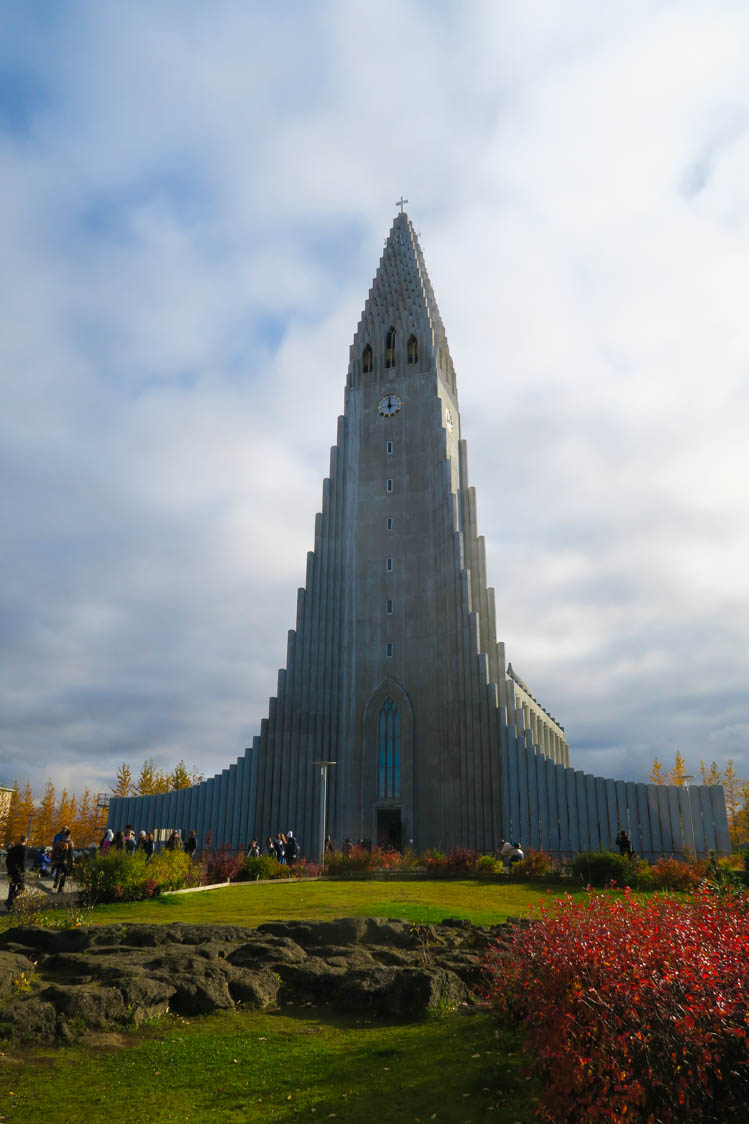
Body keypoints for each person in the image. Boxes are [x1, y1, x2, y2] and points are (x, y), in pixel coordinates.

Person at [5, 835, 27, 910]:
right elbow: (22, 861)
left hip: (10, 870)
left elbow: (7, 860)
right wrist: (22, 871)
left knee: (12, 887)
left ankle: (9, 905)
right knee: (21, 888)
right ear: (25, 841)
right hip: (17, 870)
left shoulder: (13, 848)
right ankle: (10, 900)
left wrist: (9, 868)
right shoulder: (23, 849)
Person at [52, 828, 74, 893]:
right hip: (65, 861)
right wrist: (72, 862)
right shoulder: (70, 842)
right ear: (69, 834)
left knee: (58, 872)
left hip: (57, 860)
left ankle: (55, 884)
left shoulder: (58, 841)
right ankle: (60, 889)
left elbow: (53, 851)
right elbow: (71, 854)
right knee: (63, 875)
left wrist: (53, 859)